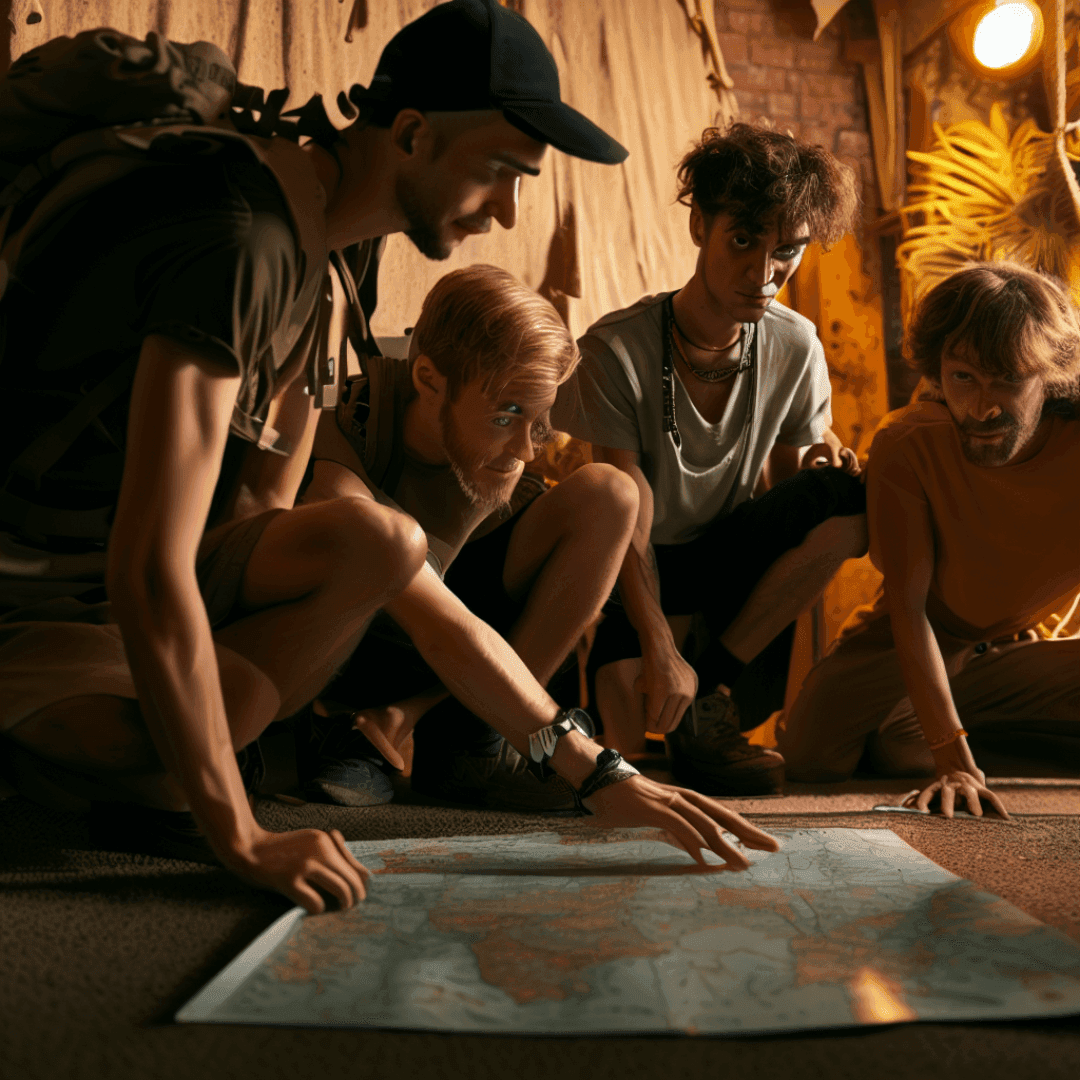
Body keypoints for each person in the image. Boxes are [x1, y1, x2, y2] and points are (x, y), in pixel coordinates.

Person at [0, 3, 780, 912]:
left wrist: (596, 770)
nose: (509, 211)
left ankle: (155, 759)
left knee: (363, 571)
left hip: (125, 588)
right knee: (155, 745)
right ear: (410, 132)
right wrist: (241, 835)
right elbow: (147, 566)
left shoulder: (333, 258)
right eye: (499, 170)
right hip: (35, 586)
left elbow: (261, 515)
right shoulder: (242, 242)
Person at [551, 122, 866, 797]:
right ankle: (679, 695)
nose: (763, 274)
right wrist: (660, 645)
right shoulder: (616, 348)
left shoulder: (797, 346)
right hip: (644, 563)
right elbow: (621, 512)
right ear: (700, 226)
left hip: (727, 565)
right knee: (623, 757)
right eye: (743, 241)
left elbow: (787, 503)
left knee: (849, 502)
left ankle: (715, 686)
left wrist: (825, 464)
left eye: (788, 251)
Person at [298, 264, 641, 812]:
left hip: (453, 637)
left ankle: (469, 736)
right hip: (359, 645)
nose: (530, 448)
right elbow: (435, 622)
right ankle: (351, 730)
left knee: (612, 494)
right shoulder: (345, 432)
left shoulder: (506, 457)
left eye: (539, 418)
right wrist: (578, 756)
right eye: (508, 414)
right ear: (429, 381)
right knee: (386, 538)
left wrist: (415, 712)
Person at [779, 262, 1080, 817]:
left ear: (1051, 375)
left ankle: (937, 722)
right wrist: (953, 761)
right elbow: (908, 605)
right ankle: (929, 729)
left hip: (1007, 644)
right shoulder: (908, 443)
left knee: (903, 747)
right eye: (964, 377)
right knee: (810, 757)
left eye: (1009, 380)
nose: (985, 408)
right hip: (917, 631)